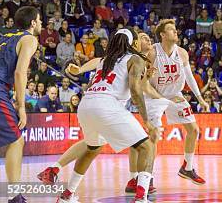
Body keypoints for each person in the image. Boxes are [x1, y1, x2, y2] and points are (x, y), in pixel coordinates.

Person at [56, 28, 157, 203]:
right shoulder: (135, 58)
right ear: (133, 43)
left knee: (91, 149)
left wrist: (77, 70)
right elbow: (135, 90)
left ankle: (66, 196)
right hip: (107, 105)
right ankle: (141, 198)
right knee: (147, 147)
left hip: (85, 105)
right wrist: (147, 120)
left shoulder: (104, 60)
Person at [142, 19, 207, 189]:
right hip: (153, 96)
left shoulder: (182, 53)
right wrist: (161, 98)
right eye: (171, 30)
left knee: (193, 130)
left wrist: (200, 98)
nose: (175, 32)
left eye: (175, 29)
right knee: (154, 136)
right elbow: (143, 82)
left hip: (174, 95)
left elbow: (189, 78)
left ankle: (187, 167)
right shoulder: (152, 53)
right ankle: (147, 178)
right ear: (162, 35)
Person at [0, 7, 41, 203]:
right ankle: (14, 196)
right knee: (16, 141)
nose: (41, 24)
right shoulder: (30, 39)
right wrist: (21, 106)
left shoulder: (4, 35)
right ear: (33, 23)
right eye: (39, 20)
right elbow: (19, 73)